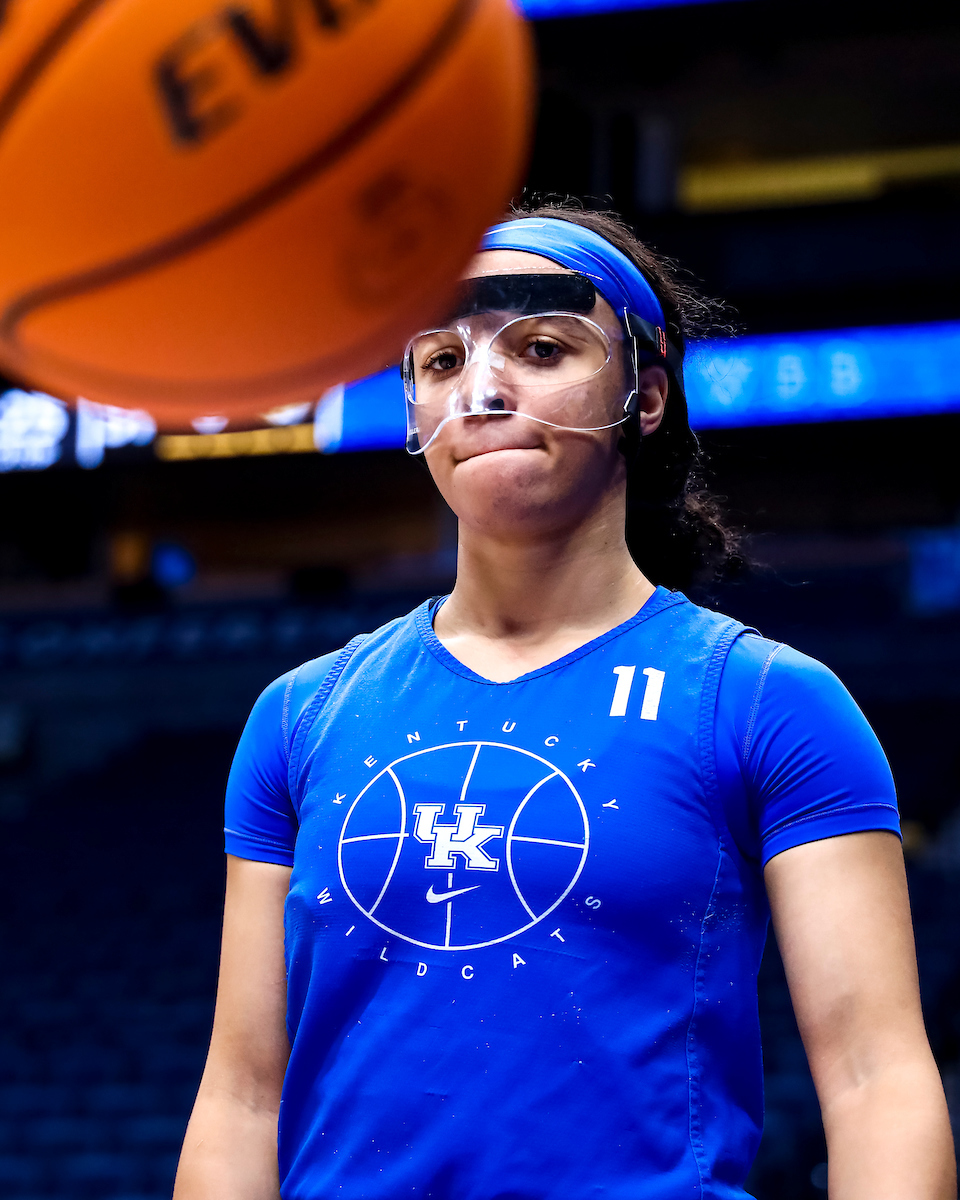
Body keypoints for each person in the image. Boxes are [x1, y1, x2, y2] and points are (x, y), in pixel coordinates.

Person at [173, 205, 955, 1200]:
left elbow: (877, 1081)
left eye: (541, 349)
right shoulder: (298, 715)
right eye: (442, 360)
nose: (483, 388)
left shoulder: (768, 702)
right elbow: (242, 1099)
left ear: (646, 397)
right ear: (413, 411)